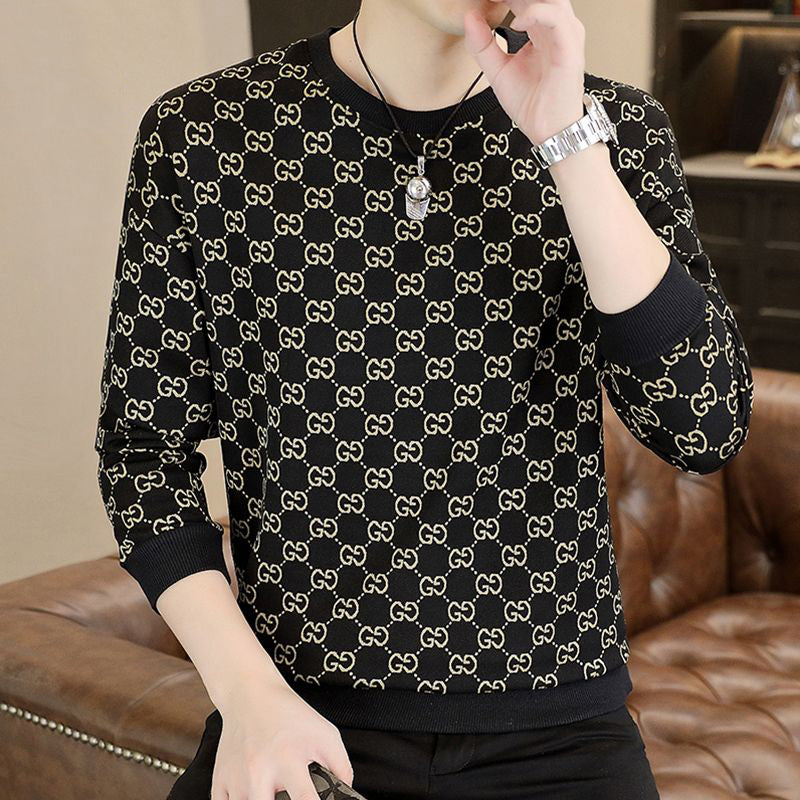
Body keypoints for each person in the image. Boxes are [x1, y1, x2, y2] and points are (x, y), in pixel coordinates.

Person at [94, 1, 753, 798]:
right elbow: (142, 457)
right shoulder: (206, 133)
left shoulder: (617, 130)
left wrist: (568, 144)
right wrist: (248, 695)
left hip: (561, 732)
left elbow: (704, 425)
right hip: (304, 727)